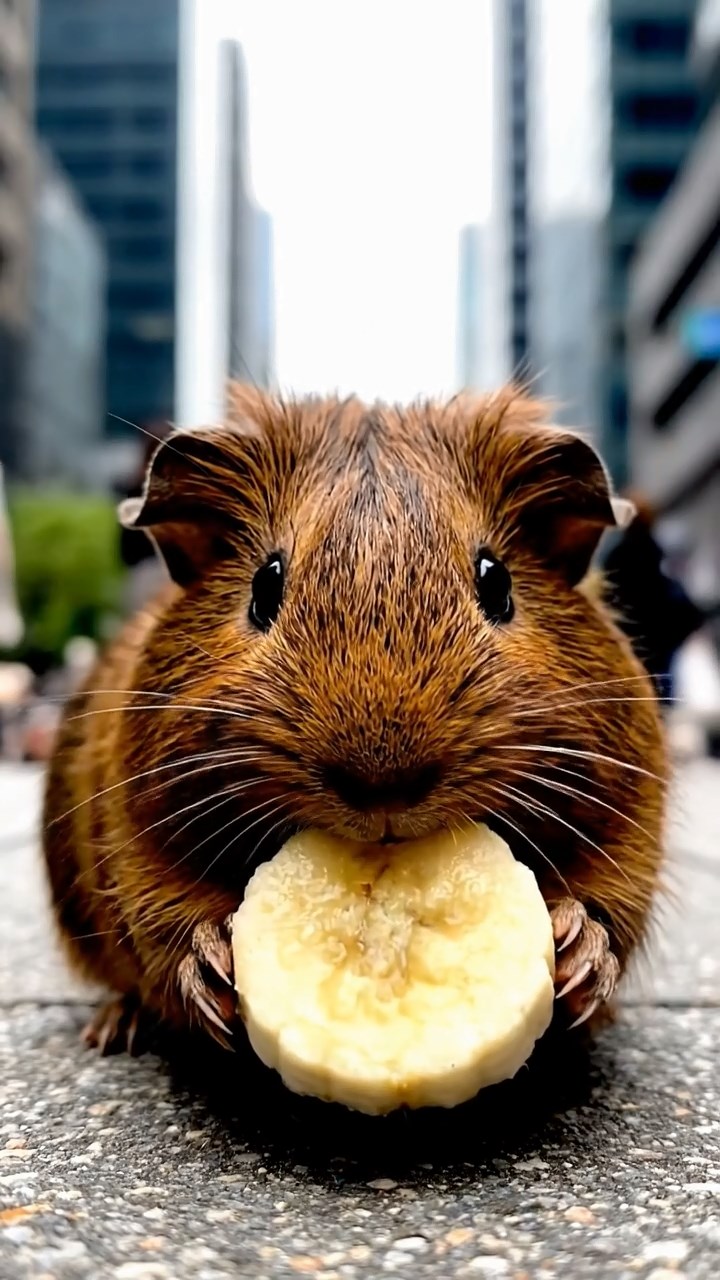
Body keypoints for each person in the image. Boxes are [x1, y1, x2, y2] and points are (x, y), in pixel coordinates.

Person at [601, 490, 706, 703]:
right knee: (660, 707)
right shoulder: (657, 556)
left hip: (629, 652)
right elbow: (682, 608)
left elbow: (606, 605)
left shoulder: (616, 559)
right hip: (660, 650)